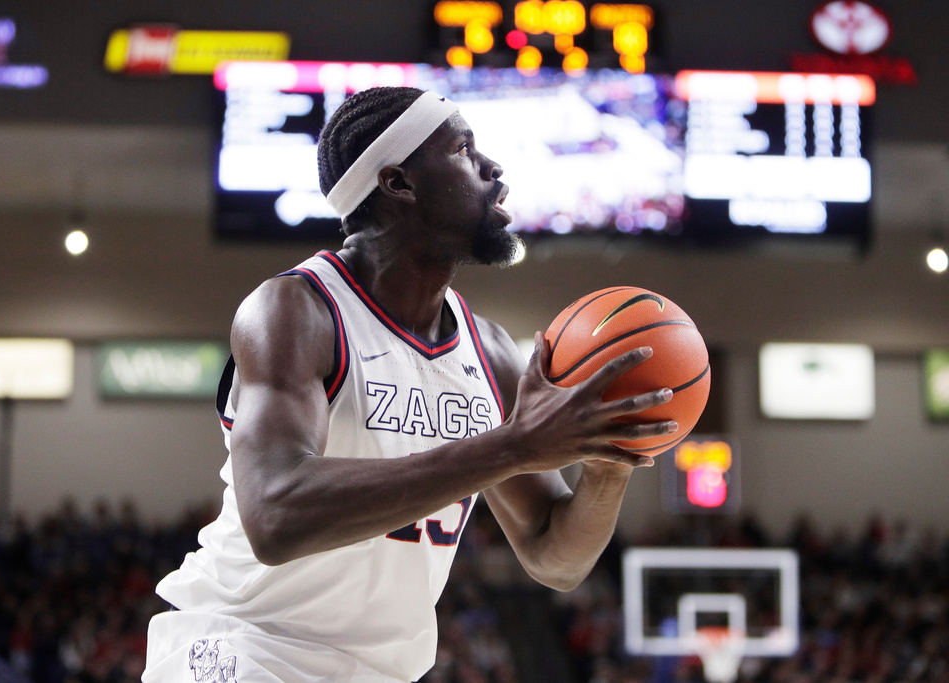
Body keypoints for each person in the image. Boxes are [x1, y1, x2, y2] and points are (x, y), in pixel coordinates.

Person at [142, 86, 677, 683]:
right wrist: (513, 446)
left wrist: (608, 470)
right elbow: (276, 514)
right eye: (464, 150)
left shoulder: (491, 351)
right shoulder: (297, 310)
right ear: (398, 183)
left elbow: (555, 559)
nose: (492, 168)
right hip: (247, 649)